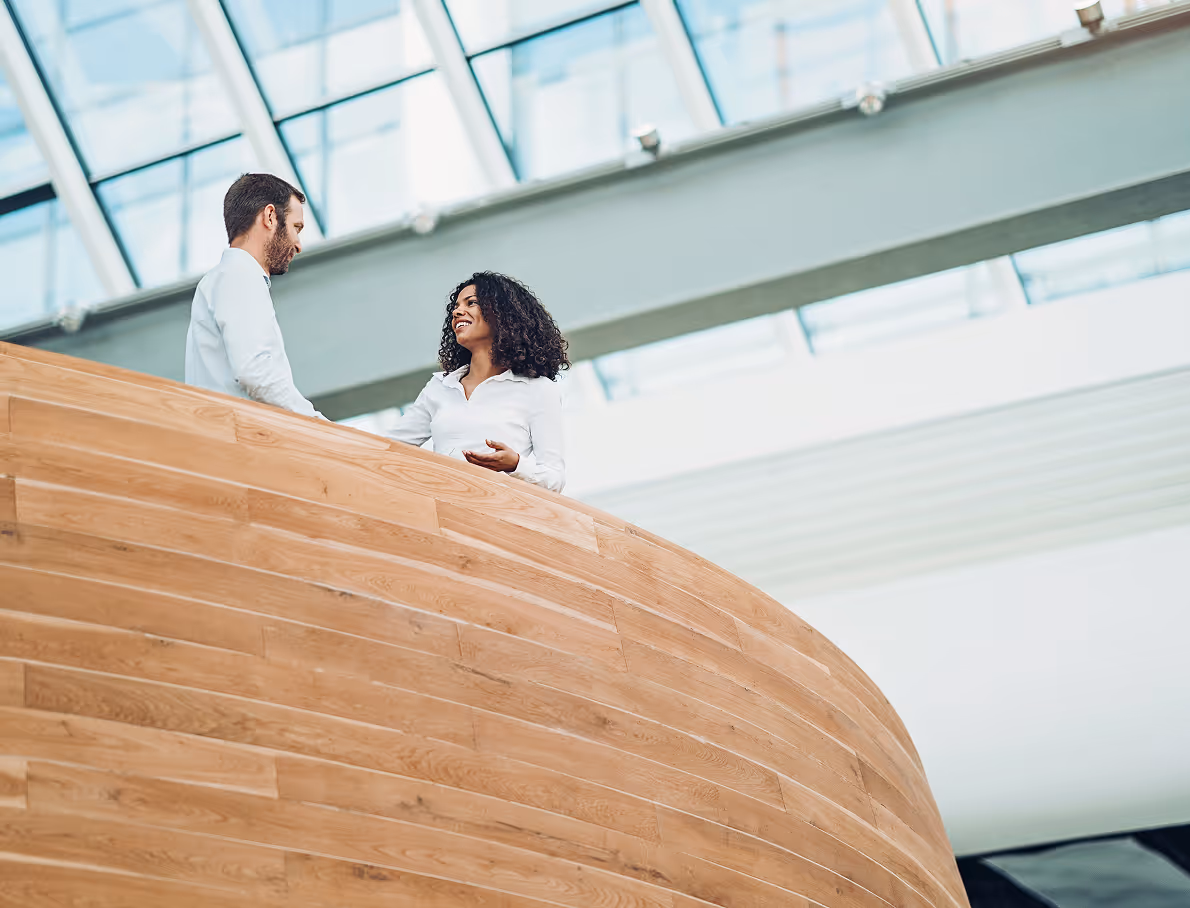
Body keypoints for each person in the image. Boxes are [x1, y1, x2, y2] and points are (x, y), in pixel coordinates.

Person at [386, 272, 568, 492]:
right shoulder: (440, 387)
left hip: (497, 514)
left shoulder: (538, 390)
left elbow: (554, 479)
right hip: (444, 509)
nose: (457, 311)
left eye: (471, 303)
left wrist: (515, 464)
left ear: (503, 314)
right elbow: (389, 447)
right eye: (456, 306)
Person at [184, 173, 322, 418]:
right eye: (295, 227)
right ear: (270, 217)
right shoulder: (239, 275)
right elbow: (256, 371)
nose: (298, 244)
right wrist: (320, 425)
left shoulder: (225, 278)